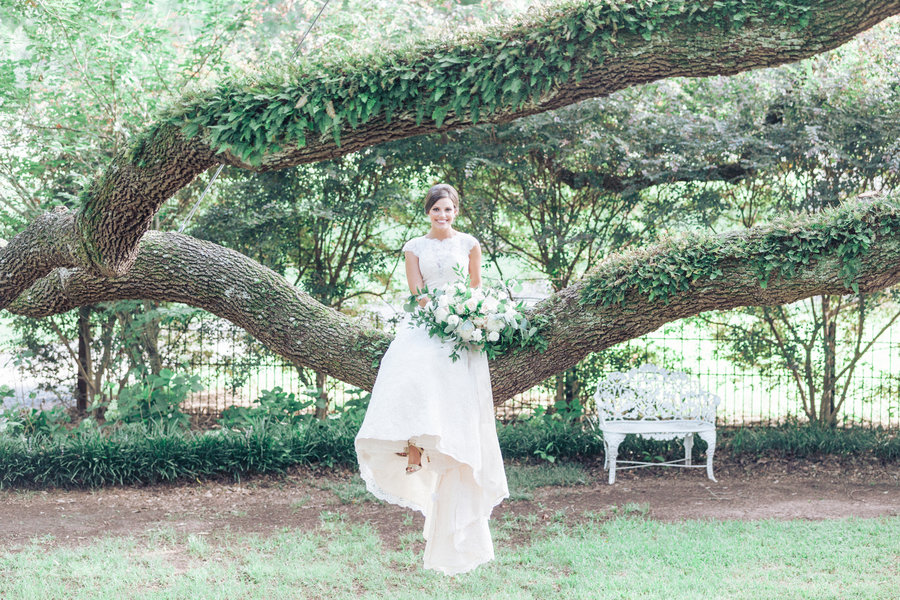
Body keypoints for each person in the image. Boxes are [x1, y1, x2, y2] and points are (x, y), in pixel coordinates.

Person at [355, 183, 509, 575]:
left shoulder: (470, 243)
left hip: (462, 321)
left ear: (456, 211)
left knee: (450, 383)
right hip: (428, 318)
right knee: (410, 370)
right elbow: (416, 288)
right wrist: (437, 312)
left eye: (449, 209)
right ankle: (412, 443)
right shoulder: (414, 246)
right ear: (428, 212)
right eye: (437, 210)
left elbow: (475, 287)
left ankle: (440, 442)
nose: (443, 216)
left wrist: (464, 313)